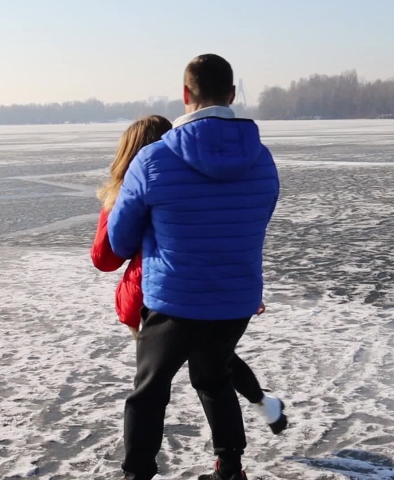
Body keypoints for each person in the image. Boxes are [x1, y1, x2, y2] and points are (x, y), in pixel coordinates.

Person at [107, 54, 280, 480]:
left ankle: (137, 475)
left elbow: (119, 240)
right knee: (214, 378)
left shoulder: (152, 160)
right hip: (235, 300)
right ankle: (230, 469)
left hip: (174, 300)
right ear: (232, 94)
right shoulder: (262, 161)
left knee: (149, 392)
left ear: (186, 95)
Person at [90, 115, 287, 433]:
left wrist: (113, 204)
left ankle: (142, 466)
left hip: (155, 299)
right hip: (204, 291)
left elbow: (104, 257)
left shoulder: (133, 189)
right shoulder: (184, 178)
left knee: (163, 385)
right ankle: (255, 421)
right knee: (216, 364)